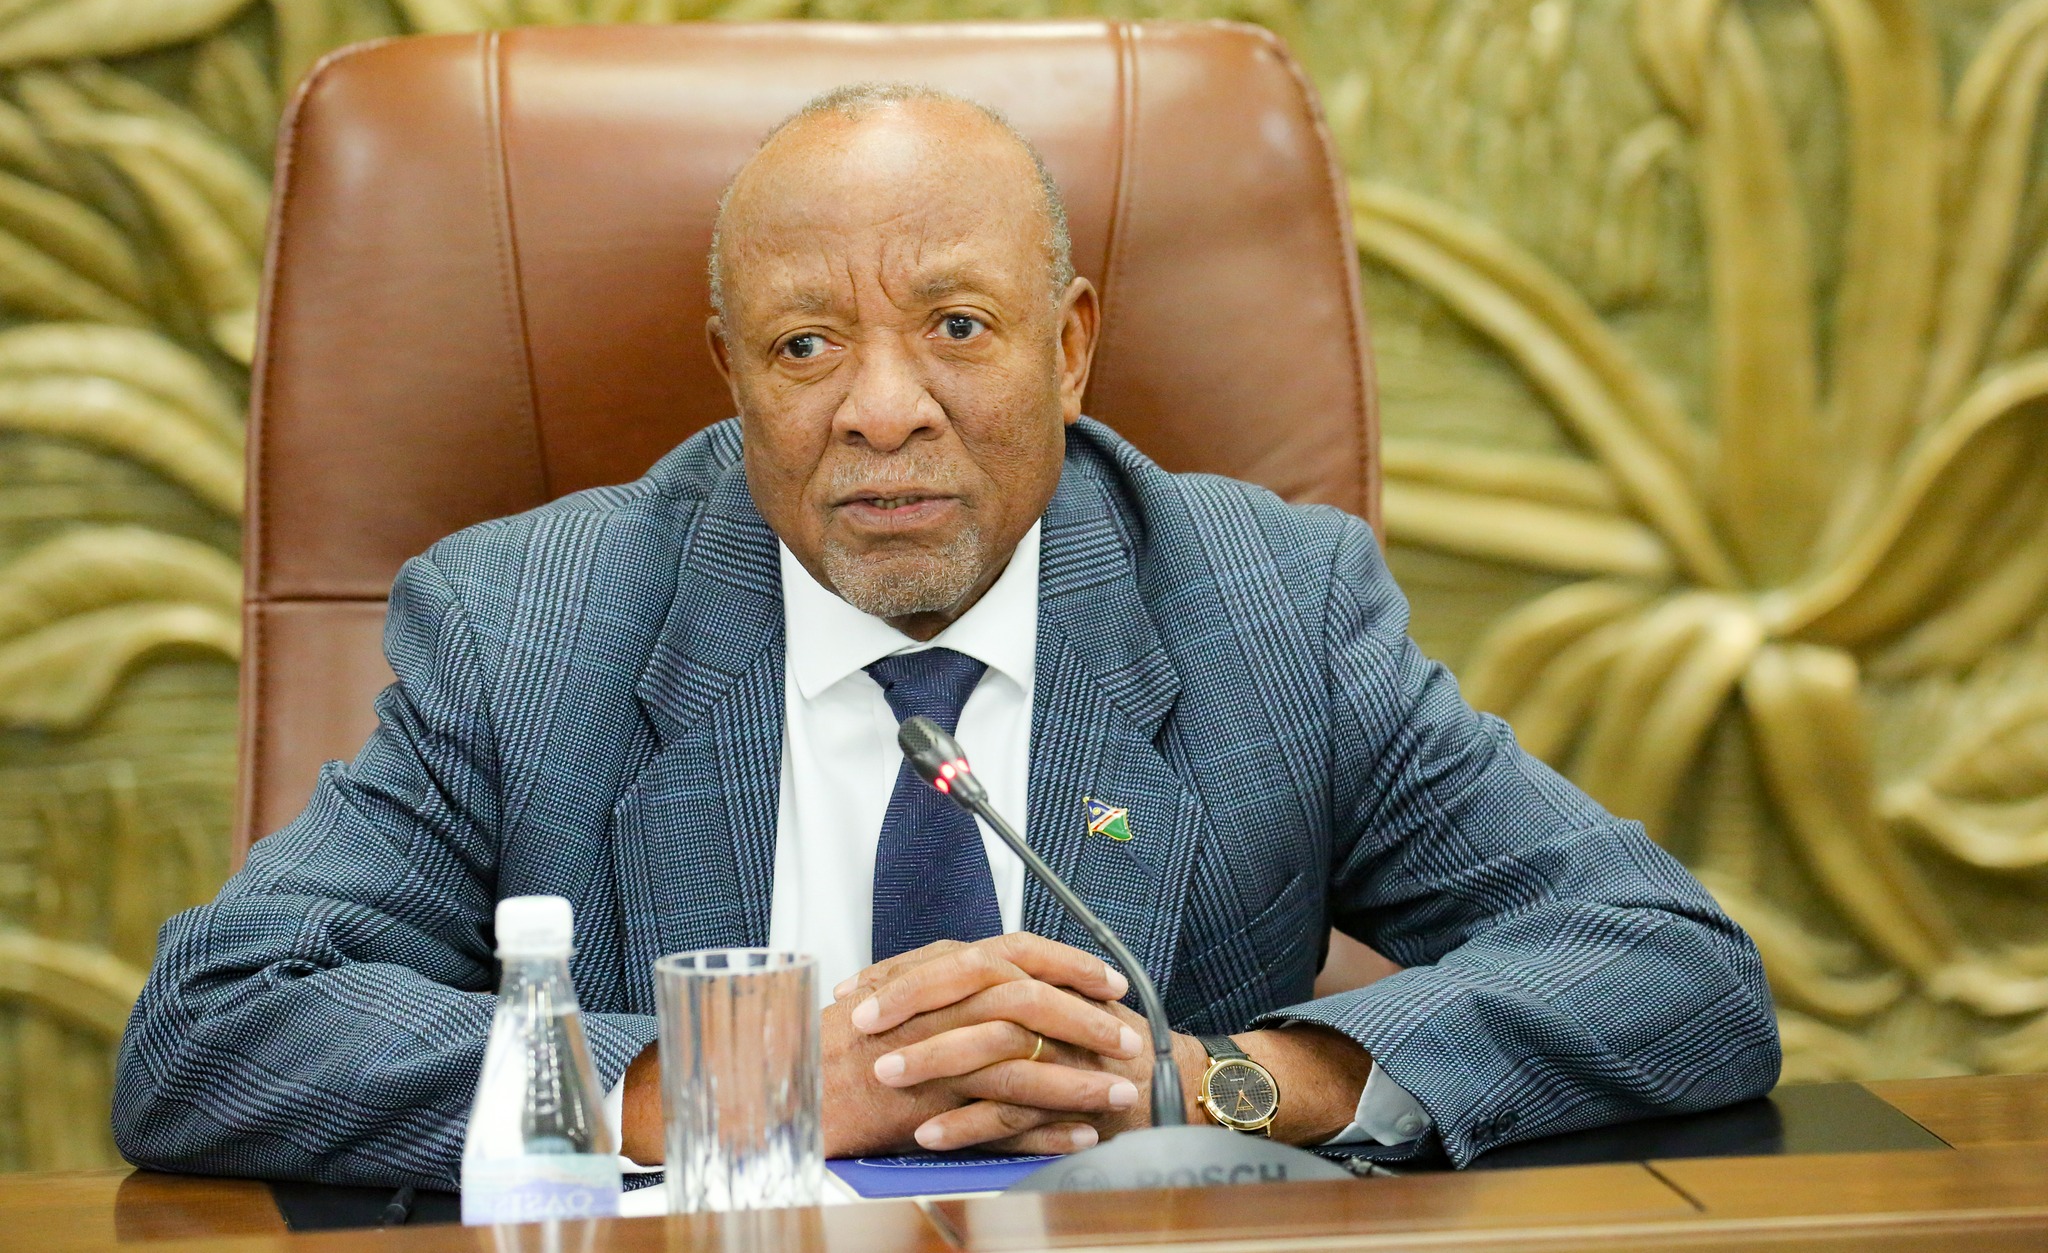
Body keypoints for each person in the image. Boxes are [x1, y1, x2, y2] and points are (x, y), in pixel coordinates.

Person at [112, 83, 1778, 1187]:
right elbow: (216, 1028)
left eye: (958, 327)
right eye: (805, 346)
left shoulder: (1271, 609)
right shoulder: (528, 629)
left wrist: (1222, 1083)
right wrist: (724, 1088)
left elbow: (1673, 965)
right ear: (732, 378)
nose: (882, 410)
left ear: (1071, 346)